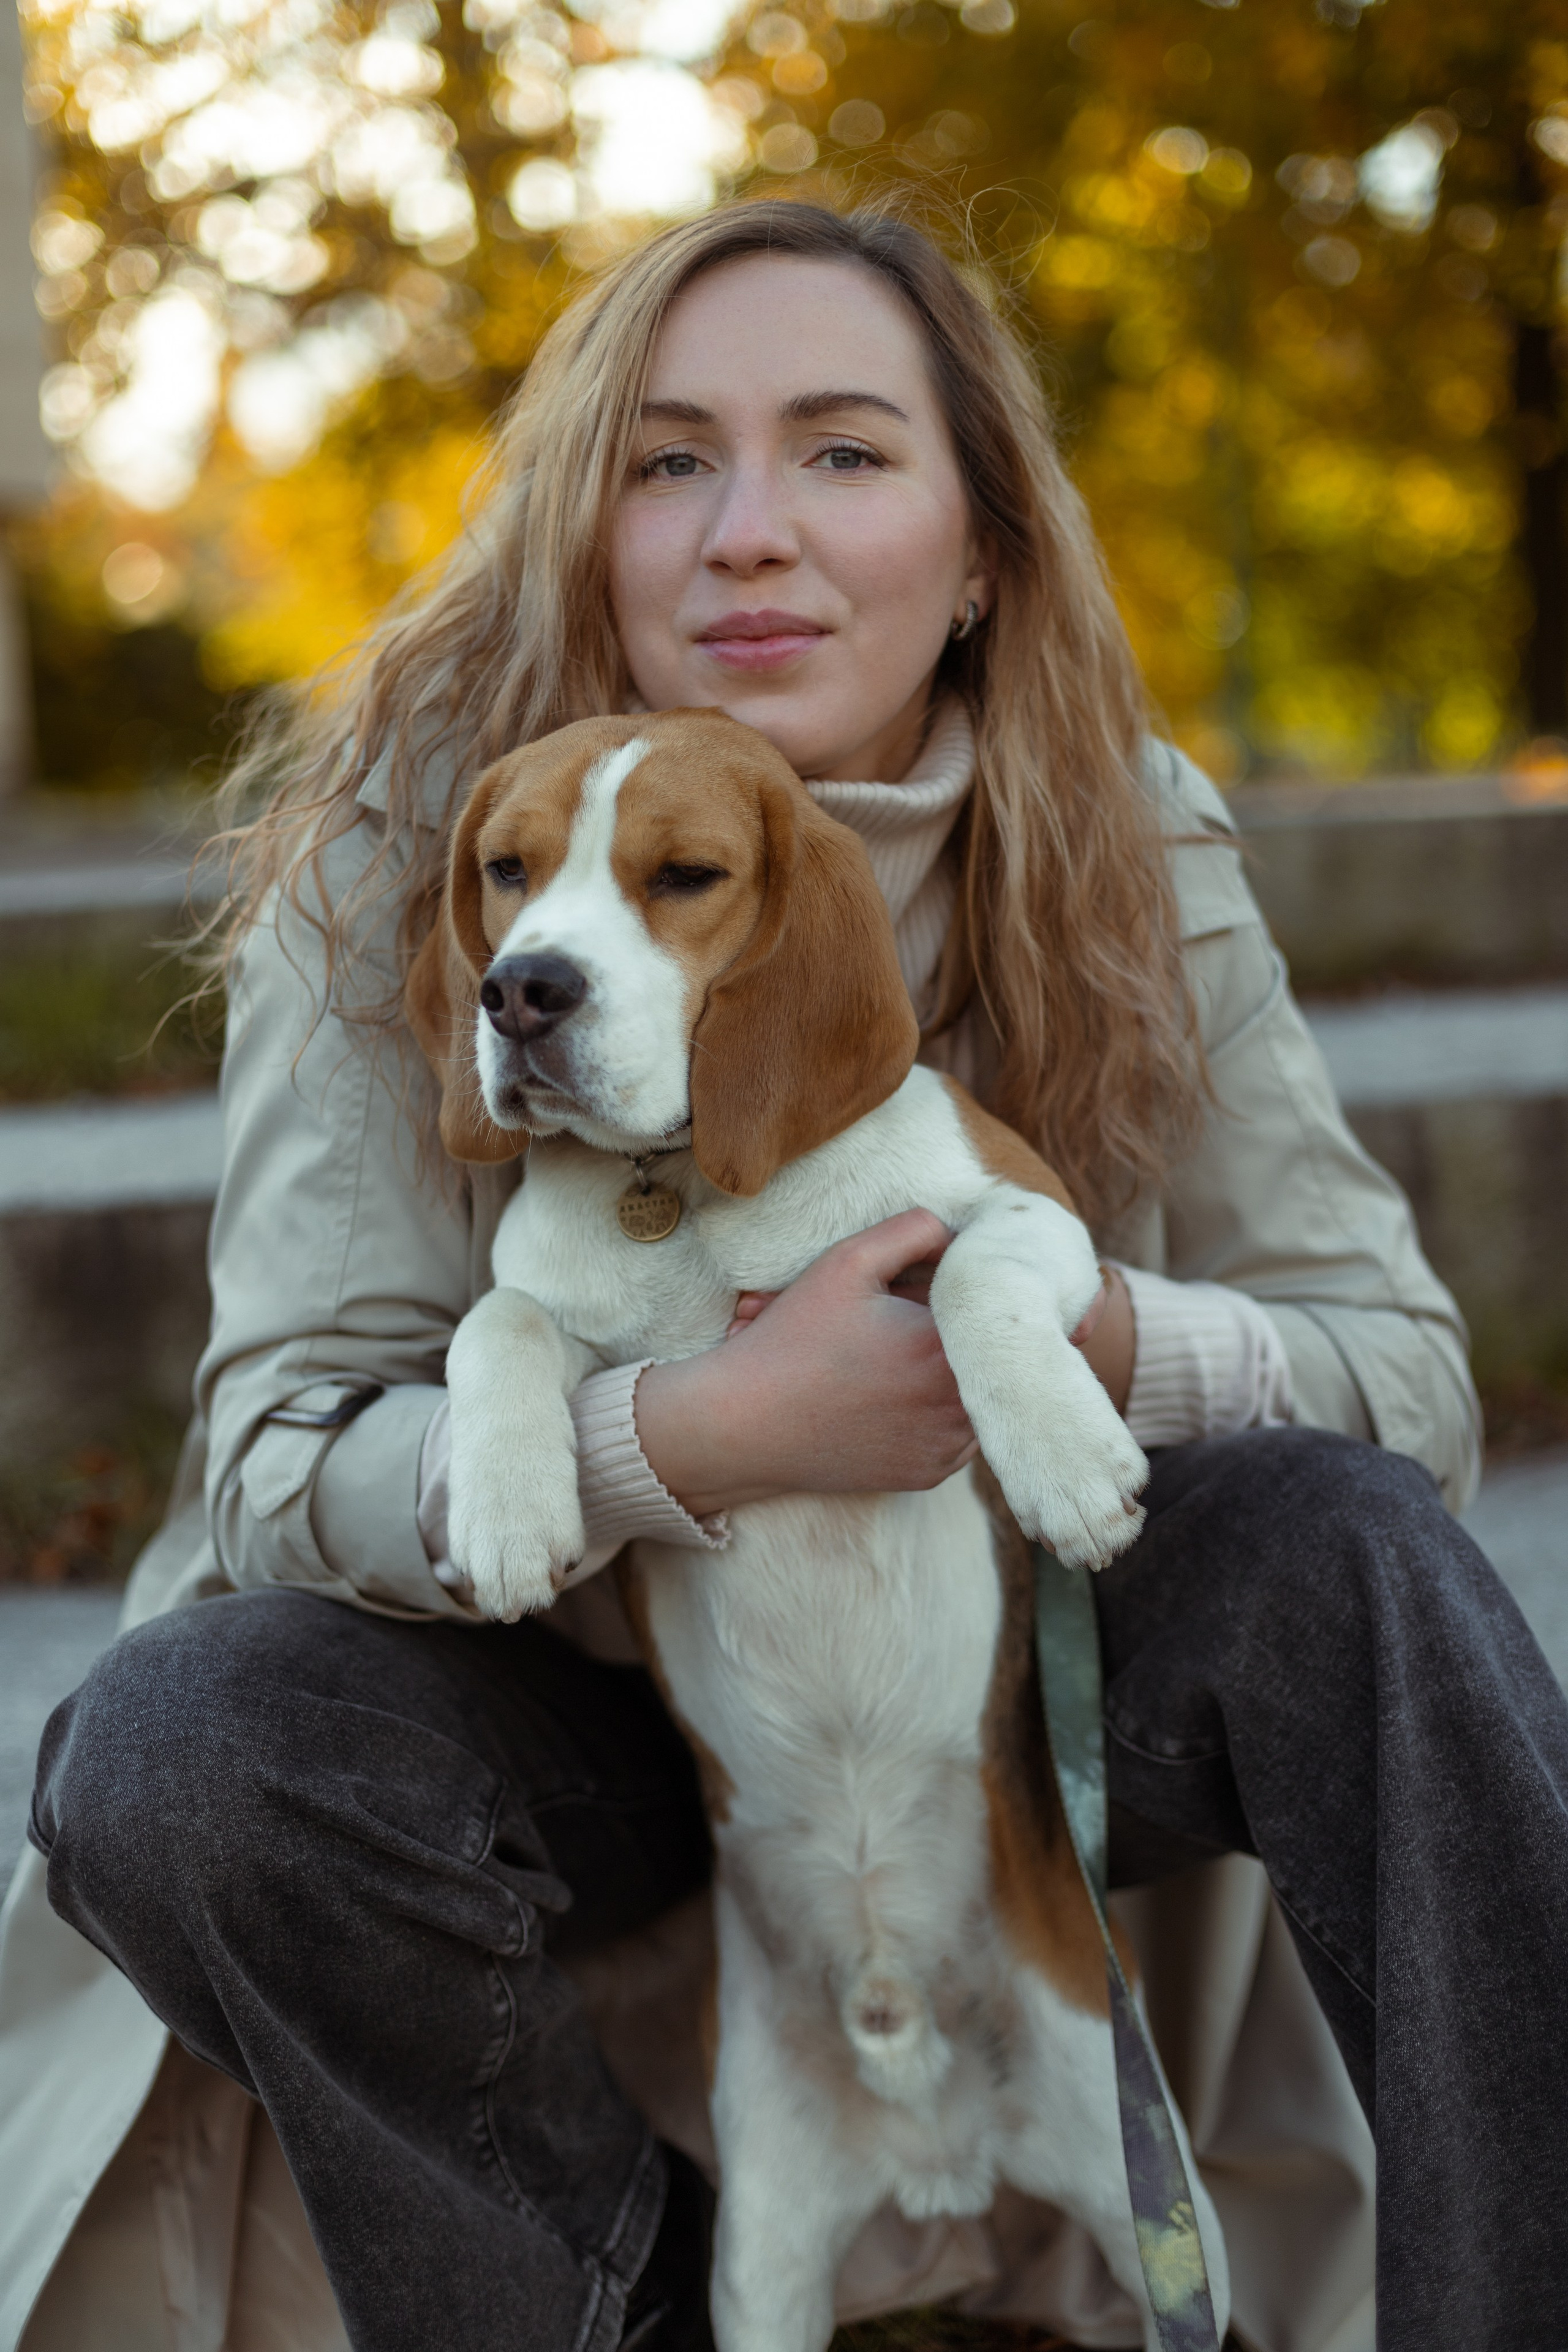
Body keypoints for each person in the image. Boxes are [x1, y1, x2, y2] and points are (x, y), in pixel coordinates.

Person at [4, 198, 1566, 2352]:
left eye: (844, 451)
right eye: (669, 461)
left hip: (1006, 1691)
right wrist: (693, 1438)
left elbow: (1405, 1384)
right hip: (580, 1707)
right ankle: (607, 2304)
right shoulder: (409, 864)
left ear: (984, 542)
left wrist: (1078, 1331)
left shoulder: (1122, 827)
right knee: (177, 1744)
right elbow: (280, 1466)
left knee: (1364, 1556)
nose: (753, 531)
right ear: (589, 532)